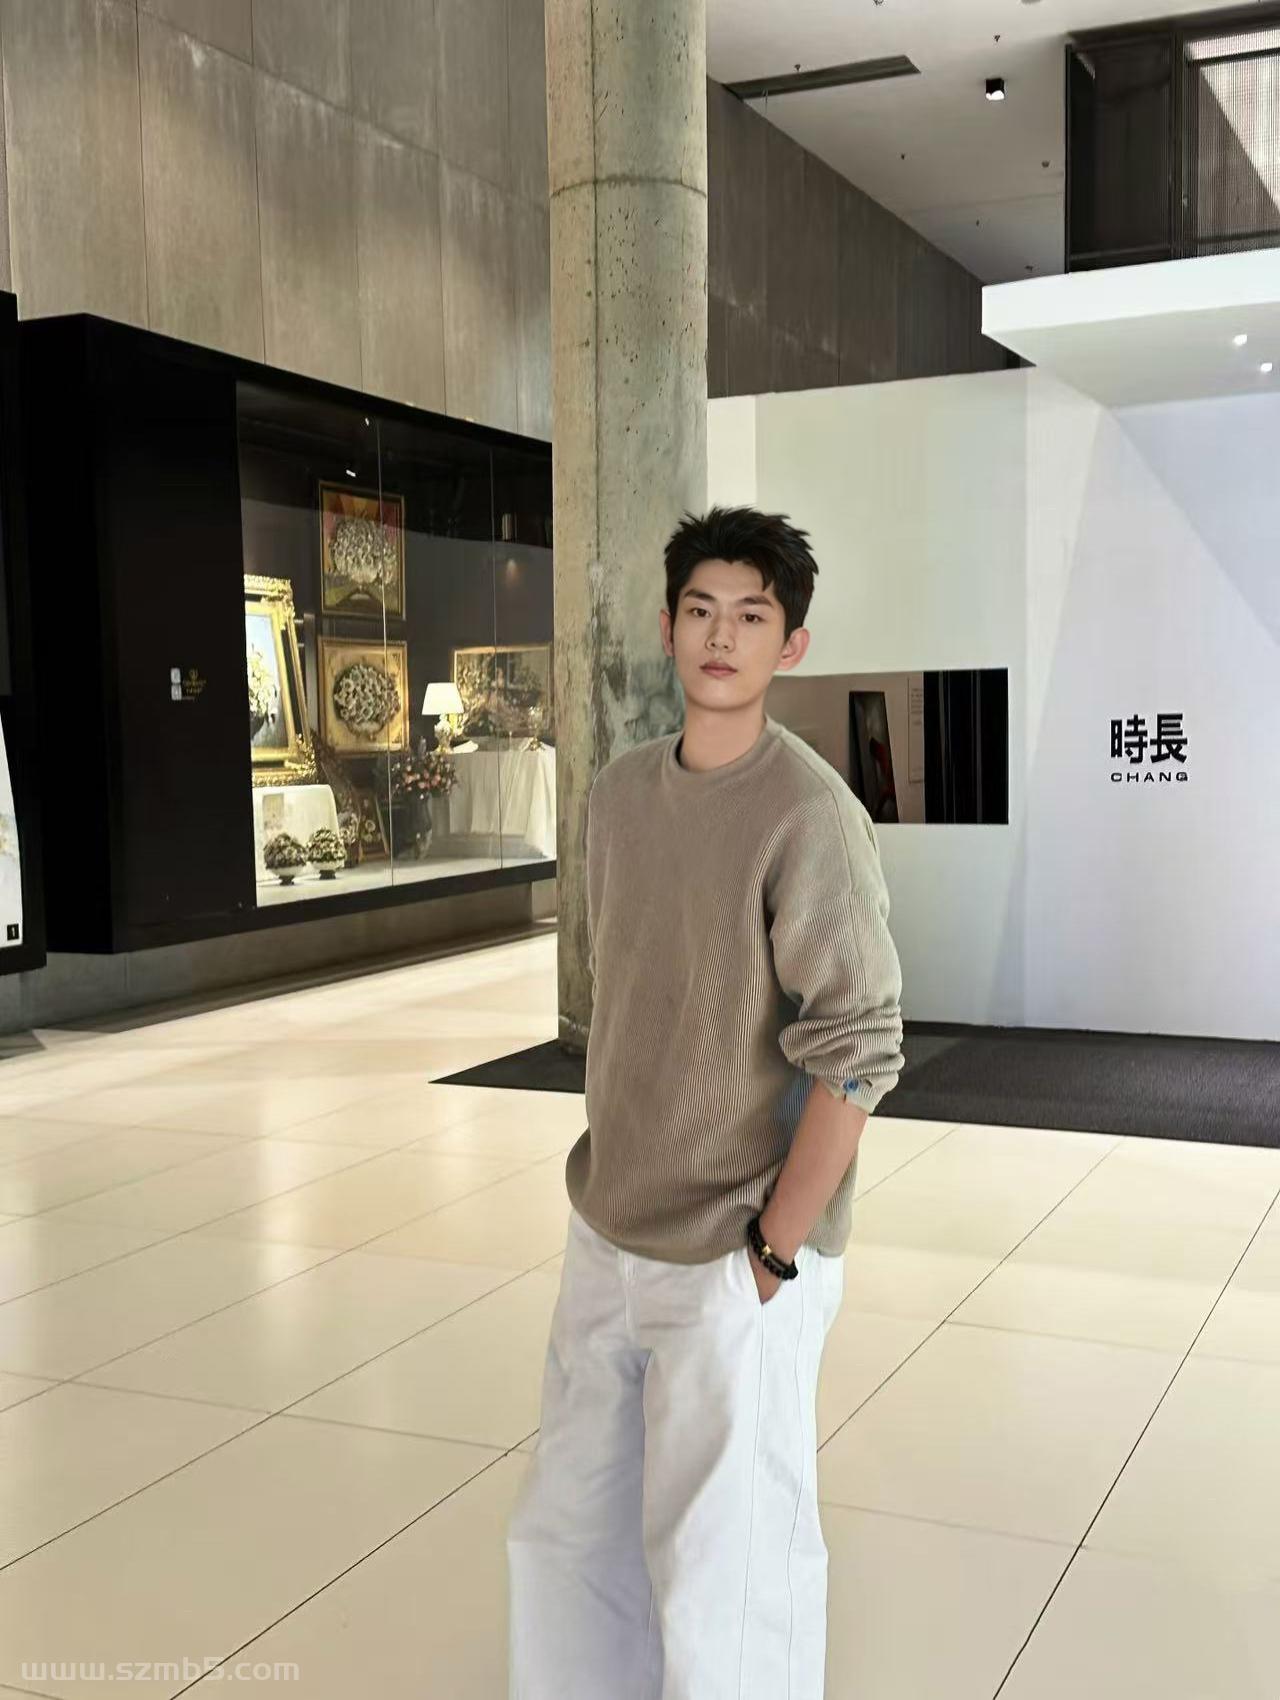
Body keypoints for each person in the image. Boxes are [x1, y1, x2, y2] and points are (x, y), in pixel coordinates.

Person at [507, 506, 906, 1700]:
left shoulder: (809, 814)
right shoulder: (620, 794)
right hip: (610, 1221)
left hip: (738, 1248)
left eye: (750, 615)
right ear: (667, 626)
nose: (720, 636)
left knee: (727, 1565)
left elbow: (856, 1048)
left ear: (790, 644)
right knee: (565, 1532)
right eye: (699, 610)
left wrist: (774, 1248)